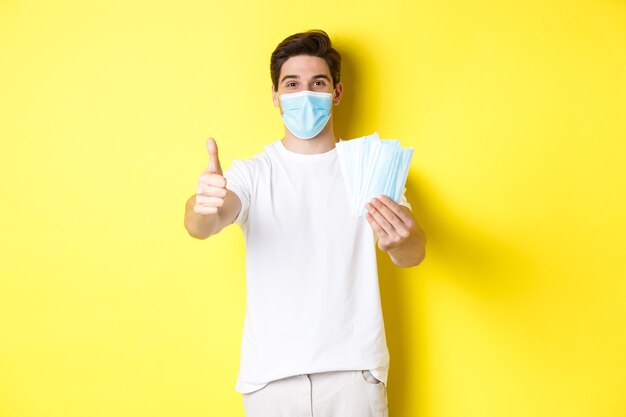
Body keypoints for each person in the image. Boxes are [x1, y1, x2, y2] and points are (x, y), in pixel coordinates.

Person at [184, 29, 426, 417]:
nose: (304, 94)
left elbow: (412, 255)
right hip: (271, 380)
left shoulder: (370, 166)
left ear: (337, 93)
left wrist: (402, 240)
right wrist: (203, 205)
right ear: (277, 98)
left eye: (318, 83)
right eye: (292, 84)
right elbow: (203, 223)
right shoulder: (253, 173)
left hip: (354, 375)